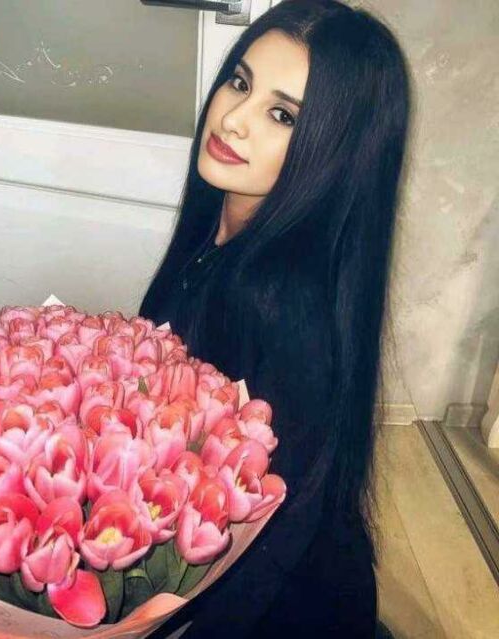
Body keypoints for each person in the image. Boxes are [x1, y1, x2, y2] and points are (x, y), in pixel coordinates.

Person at [139, 1, 411, 637]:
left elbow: (282, 526)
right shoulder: (217, 236)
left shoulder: (280, 300)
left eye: (282, 114)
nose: (233, 119)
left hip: (283, 606)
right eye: (240, 82)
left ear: (337, 153)